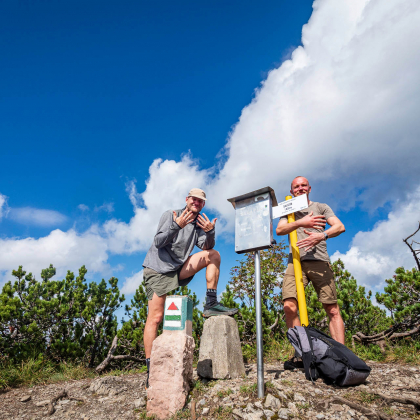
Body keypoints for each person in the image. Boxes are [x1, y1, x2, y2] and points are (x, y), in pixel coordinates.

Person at [142, 187, 238, 386]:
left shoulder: (198, 224)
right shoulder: (171, 215)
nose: (196, 203)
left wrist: (210, 232)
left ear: (203, 204)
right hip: (158, 270)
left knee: (214, 255)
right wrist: (176, 226)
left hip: (178, 268)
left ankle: (211, 303)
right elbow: (158, 242)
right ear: (187, 199)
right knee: (156, 317)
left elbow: (207, 247)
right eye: (194, 199)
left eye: (200, 201)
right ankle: (151, 368)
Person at [276, 176, 346, 369]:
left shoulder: (321, 207)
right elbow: (280, 229)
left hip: (319, 260)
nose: (300, 188)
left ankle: (342, 356)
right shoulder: (289, 208)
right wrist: (302, 222)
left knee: (331, 308)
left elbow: (340, 226)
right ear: (292, 191)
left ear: (309, 188)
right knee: (289, 306)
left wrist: (320, 235)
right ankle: (301, 355)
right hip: (295, 261)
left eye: (303, 185)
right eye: (296, 186)